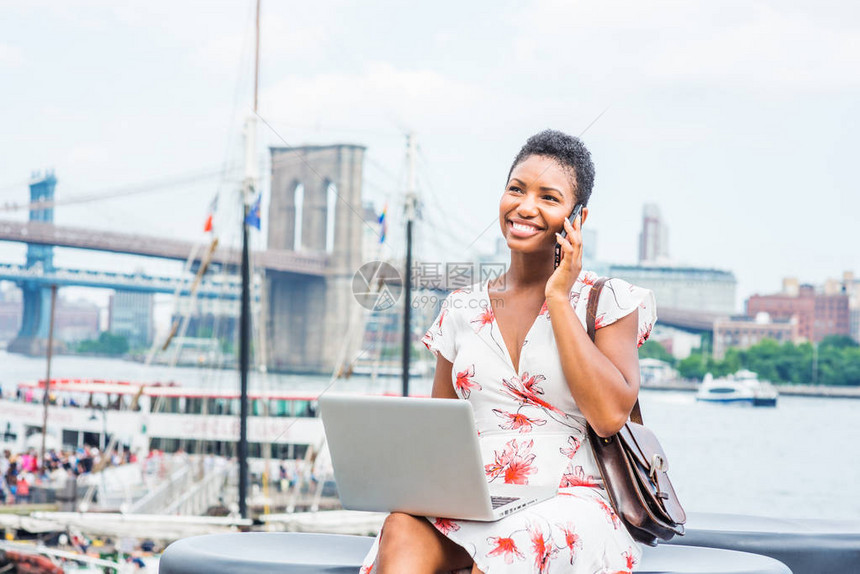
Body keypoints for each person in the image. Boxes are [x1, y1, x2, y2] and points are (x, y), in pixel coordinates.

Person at [361, 130, 656, 574]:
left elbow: (610, 415)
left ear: (578, 216)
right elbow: (441, 428)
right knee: (401, 527)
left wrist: (559, 299)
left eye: (548, 197)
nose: (525, 206)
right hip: (478, 497)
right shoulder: (461, 308)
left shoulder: (609, 300)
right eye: (516, 189)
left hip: (573, 497)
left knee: (513, 545)